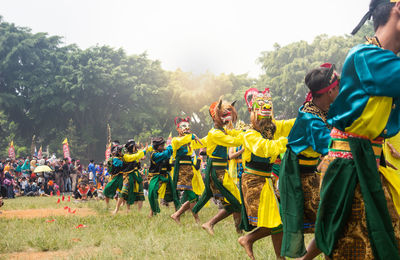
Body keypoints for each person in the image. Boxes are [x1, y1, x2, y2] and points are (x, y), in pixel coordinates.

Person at [315, 1, 400, 258]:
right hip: (350, 171)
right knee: (355, 250)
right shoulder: (365, 55)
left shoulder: (384, 60)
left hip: (368, 165)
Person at [279, 64, 339, 259]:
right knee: (329, 221)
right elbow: (330, 146)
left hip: (311, 171)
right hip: (297, 173)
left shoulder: (322, 109)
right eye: (338, 88)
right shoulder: (311, 118)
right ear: (330, 91)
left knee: (331, 221)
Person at [238, 88, 294, 260]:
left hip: (266, 181)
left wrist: (310, 115)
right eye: (262, 115)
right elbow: (264, 148)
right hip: (253, 181)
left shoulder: (272, 128)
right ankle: (248, 239)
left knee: (279, 221)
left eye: (268, 115)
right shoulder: (249, 134)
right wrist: (285, 141)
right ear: (253, 113)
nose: (266, 119)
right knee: (276, 221)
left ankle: (279, 257)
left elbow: (292, 123)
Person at [192, 99, 243, 235]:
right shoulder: (216, 133)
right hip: (217, 173)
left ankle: (240, 232)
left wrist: (246, 131)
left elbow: (234, 134)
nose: (228, 116)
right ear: (216, 116)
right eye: (224, 113)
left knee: (236, 201)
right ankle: (209, 223)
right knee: (235, 202)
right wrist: (251, 136)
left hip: (221, 172)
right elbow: (234, 141)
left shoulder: (221, 131)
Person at [170, 116, 206, 224]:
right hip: (181, 170)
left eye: (187, 127)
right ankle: (196, 219)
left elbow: (202, 142)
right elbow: (183, 140)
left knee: (193, 195)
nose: (186, 128)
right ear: (177, 129)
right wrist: (192, 136)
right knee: (192, 195)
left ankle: (176, 215)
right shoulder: (176, 140)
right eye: (183, 126)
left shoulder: (189, 140)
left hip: (190, 170)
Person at [112, 141, 150, 214]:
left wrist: (145, 150)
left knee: (140, 193)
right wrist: (144, 150)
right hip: (128, 177)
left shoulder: (136, 154)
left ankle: (139, 212)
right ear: (131, 147)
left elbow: (141, 156)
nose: (136, 147)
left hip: (136, 175)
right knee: (123, 192)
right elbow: (136, 156)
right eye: (134, 146)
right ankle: (116, 209)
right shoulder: (126, 156)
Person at [148, 137, 180, 217]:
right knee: (153, 193)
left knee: (174, 193)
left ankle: (177, 212)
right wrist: (172, 145)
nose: (163, 146)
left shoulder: (163, 152)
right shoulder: (155, 154)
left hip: (165, 175)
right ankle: (152, 213)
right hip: (156, 177)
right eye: (162, 145)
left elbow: (168, 164)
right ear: (158, 146)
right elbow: (165, 155)